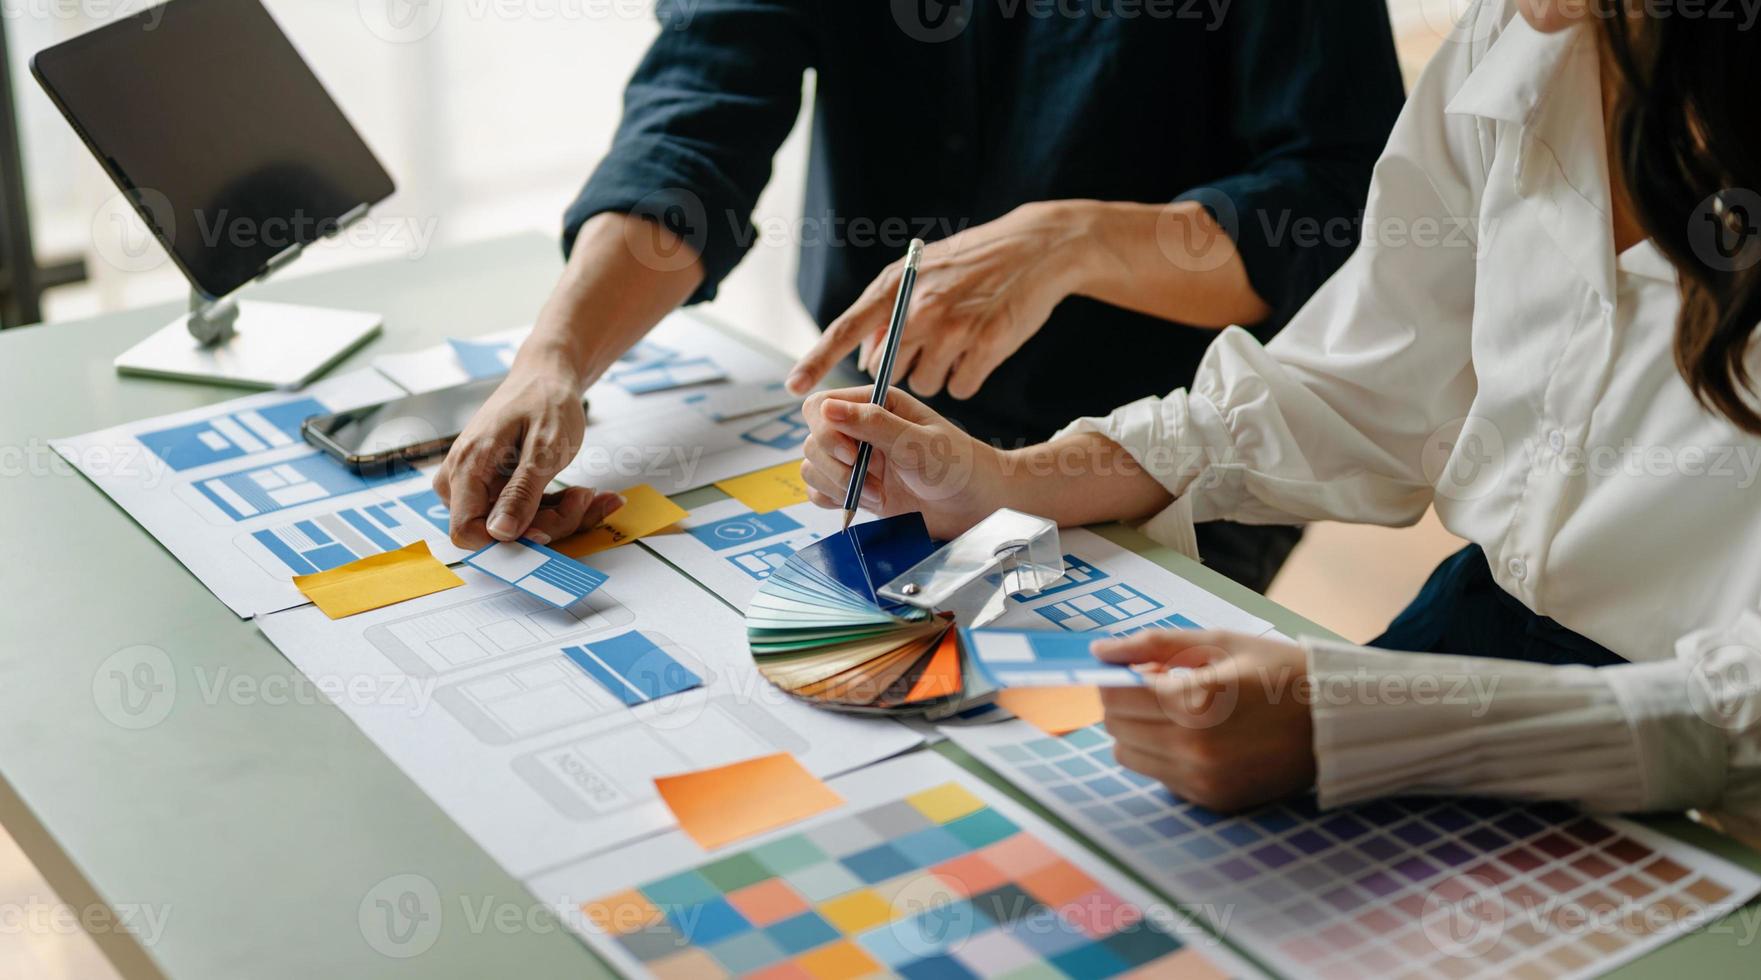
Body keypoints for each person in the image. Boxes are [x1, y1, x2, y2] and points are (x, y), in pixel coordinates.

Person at [798, 0, 1761, 832]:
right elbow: (1360, 385)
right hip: (1489, 631)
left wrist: (1377, 721)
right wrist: (1014, 482)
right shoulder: (1516, 42)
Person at [432, 0, 1408, 594]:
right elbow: (697, 117)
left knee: (1010, 718)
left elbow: (1337, 208)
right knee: (817, 676)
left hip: (1169, 440)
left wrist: (1077, 240)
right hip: (892, 405)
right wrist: (554, 358)